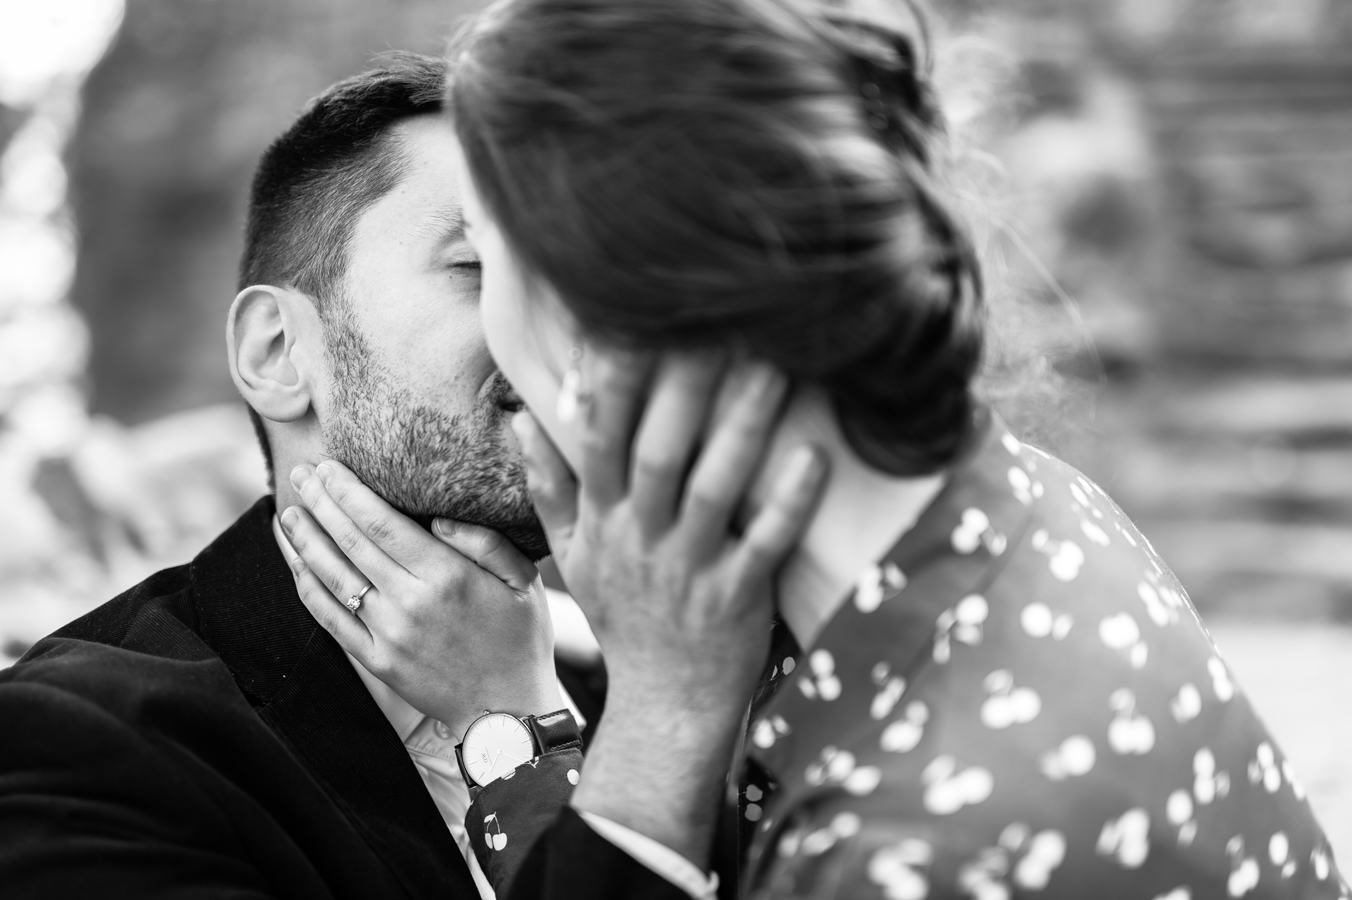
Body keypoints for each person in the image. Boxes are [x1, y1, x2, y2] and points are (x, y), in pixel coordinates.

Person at [286, 1, 1350, 898]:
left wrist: (509, 727)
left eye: (483, 262)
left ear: (608, 327)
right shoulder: (1031, 505)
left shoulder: (918, 845)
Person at [0, 52, 821, 899]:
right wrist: (514, 736)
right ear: (279, 353)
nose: (574, 341)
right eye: (480, 270)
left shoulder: (655, 690)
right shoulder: (79, 745)